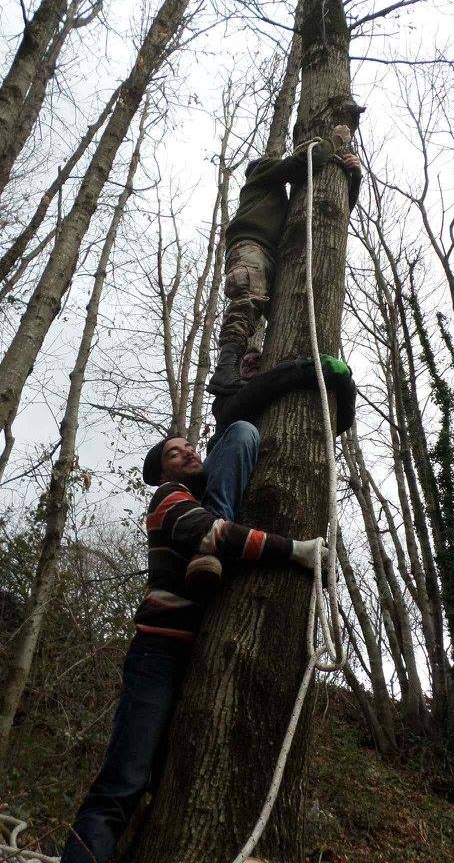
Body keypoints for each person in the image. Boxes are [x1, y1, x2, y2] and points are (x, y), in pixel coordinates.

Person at [61, 423, 327, 863]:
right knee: (123, 784)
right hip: (157, 654)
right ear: (162, 473)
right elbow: (214, 534)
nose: (187, 452)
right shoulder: (168, 499)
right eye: (174, 453)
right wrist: (295, 550)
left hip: (190, 655)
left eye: (189, 447)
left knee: (163, 784)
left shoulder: (200, 497)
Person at [207, 125, 361, 395]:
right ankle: (225, 370)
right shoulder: (261, 174)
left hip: (273, 256)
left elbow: (340, 209)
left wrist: (354, 176)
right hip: (252, 245)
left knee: (282, 317)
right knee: (248, 299)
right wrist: (335, 141)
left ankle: (271, 375)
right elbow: (303, 163)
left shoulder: (281, 202)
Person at [208, 348, 356, 453]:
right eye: (245, 363)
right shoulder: (225, 397)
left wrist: (346, 382)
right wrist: (302, 369)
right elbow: (242, 402)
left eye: (257, 359)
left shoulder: (273, 384)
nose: (251, 362)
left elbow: (344, 420)